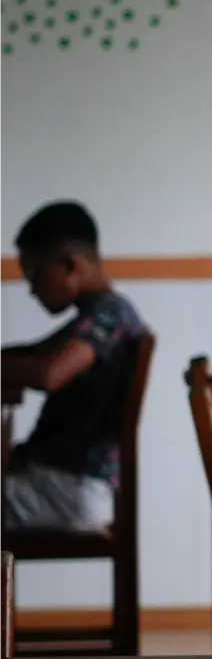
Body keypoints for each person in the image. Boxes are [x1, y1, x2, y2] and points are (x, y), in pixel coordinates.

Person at [1, 201, 146, 532]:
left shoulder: (108, 316)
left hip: (68, 491)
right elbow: (33, 353)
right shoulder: (99, 314)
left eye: (34, 275)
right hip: (60, 484)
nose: (31, 290)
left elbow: (49, 373)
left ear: (68, 265)